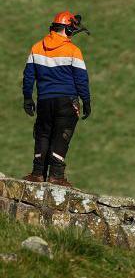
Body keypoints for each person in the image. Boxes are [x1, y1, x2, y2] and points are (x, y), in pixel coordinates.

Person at [22, 11, 91, 187]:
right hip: (67, 103)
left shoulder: (37, 47)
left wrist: (28, 98)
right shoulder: (73, 50)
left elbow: (28, 76)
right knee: (62, 136)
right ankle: (56, 176)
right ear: (67, 29)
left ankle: (38, 174)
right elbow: (81, 79)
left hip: (44, 101)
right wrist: (86, 101)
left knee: (43, 135)